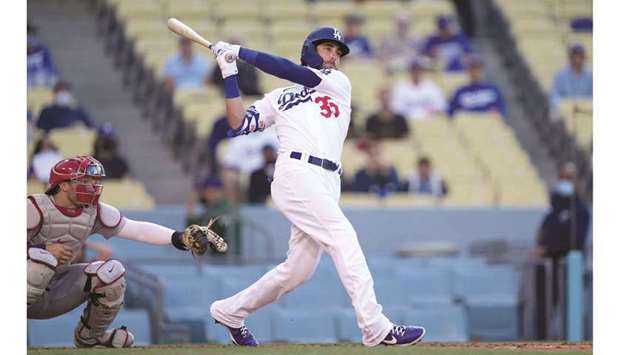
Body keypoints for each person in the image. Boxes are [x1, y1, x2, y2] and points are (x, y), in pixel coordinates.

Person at [205, 27, 425, 347]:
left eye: (337, 51)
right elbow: (238, 124)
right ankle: (375, 326)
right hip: (296, 172)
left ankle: (229, 311)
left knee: (298, 270)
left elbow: (288, 69)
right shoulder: (278, 97)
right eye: (327, 48)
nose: (334, 55)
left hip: (327, 179)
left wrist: (239, 52)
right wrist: (230, 73)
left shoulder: (338, 82)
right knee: (343, 237)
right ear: (309, 48)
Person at [27, 156, 227, 348]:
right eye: (84, 181)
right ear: (63, 185)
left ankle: (90, 337)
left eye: (93, 181)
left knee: (112, 272)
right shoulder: (34, 207)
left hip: (56, 288)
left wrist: (178, 237)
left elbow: (137, 230)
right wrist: (42, 249)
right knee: (41, 259)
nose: (91, 187)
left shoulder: (93, 211)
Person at [535, 162, 590, 308]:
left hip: (568, 269)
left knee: (569, 308)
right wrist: (541, 245)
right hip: (549, 271)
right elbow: (544, 232)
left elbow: (576, 240)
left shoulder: (580, 210)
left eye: (569, 177)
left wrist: (548, 249)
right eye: (563, 177)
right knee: (547, 306)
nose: (565, 181)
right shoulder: (554, 208)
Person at [186, 174, 240, 256]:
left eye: (213, 191)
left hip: (226, 258)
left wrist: (191, 206)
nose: (209, 194)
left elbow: (196, 228)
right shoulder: (211, 207)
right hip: (220, 258)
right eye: (208, 191)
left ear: (220, 192)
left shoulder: (223, 207)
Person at [549, 43, 593, 108]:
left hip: (587, 112)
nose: (577, 60)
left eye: (580, 56)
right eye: (574, 56)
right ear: (570, 58)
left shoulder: (591, 77)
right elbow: (554, 97)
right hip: (564, 113)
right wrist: (565, 105)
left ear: (584, 58)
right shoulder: (560, 76)